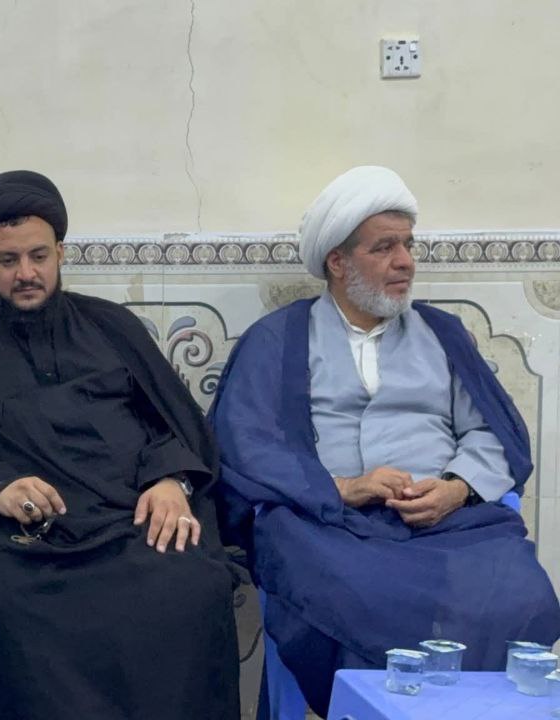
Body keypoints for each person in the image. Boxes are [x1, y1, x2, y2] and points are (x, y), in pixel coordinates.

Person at [209, 165, 560, 715]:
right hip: (328, 525)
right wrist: (342, 488)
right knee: (343, 593)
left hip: (447, 524)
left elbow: (491, 430)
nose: (405, 262)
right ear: (338, 262)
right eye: (384, 247)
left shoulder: (442, 333)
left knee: (519, 592)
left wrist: (457, 487)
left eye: (408, 245)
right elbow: (245, 445)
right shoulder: (278, 338)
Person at [0, 170, 241, 719]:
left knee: (188, 582)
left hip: (125, 521)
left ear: (60, 252)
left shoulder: (113, 328)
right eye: (8, 260)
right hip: (15, 539)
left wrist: (170, 481)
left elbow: (177, 425)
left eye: (39, 256)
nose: (26, 273)